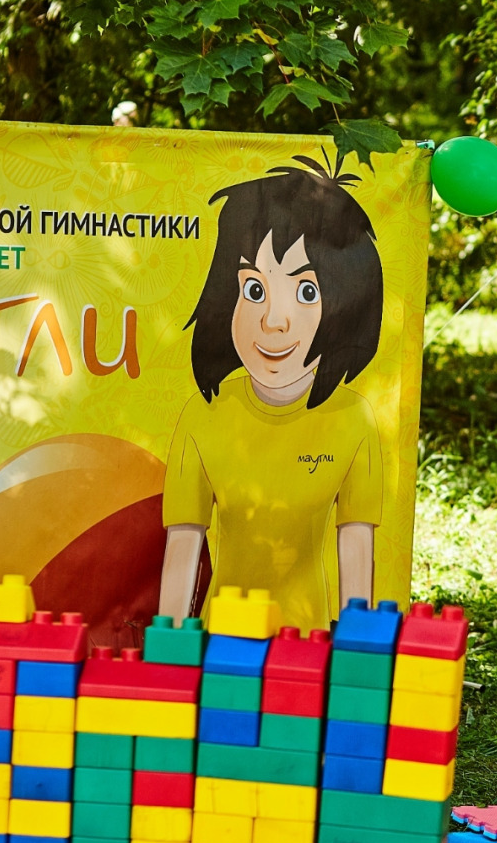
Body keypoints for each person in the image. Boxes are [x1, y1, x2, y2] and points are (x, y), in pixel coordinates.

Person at [158, 158, 384, 632]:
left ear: (344, 303)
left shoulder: (353, 418)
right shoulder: (205, 414)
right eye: (254, 289)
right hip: (223, 646)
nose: (273, 321)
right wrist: (172, 661)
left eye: (306, 292)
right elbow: (184, 547)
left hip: (311, 647)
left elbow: (356, 551)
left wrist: (355, 662)